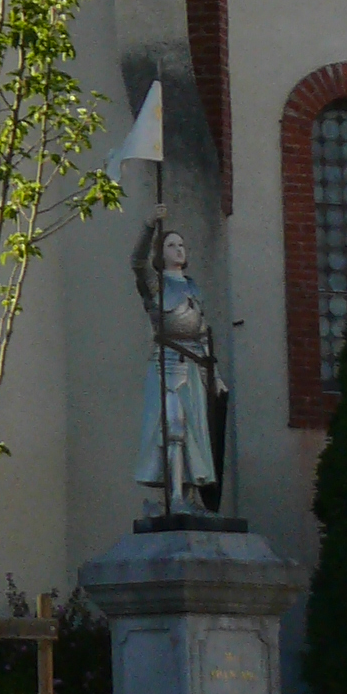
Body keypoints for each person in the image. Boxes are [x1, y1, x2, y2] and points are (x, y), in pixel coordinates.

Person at [131, 219, 221, 511]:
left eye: (181, 245)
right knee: (174, 429)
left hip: (195, 366)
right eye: (171, 245)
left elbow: (202, 331)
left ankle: (191, 496)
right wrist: (149, 227)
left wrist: (215, 375)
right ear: (161, 252)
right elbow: (137, 261)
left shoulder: (193, 287)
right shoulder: (156, 285)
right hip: (168, 363)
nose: (179, 250)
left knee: (194, 433)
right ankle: (174, 498)